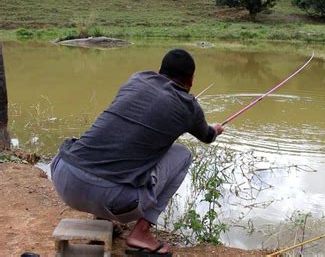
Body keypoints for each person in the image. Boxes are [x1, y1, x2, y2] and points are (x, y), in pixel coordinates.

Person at [50, 49, 223, 255]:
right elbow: (208, 136)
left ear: (159, 71)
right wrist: (216, 129)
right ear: (191, 80)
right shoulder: (189, 107)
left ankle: (102, 218)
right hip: (113, 200)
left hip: (63, 178)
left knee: (116, 139)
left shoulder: (137, 79)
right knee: (182, 155)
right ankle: (140, 232)